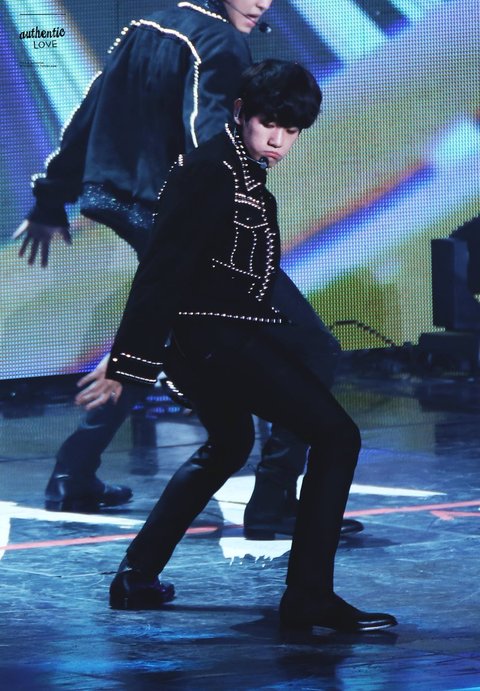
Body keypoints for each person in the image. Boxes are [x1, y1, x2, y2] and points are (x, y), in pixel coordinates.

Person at [14, 0, 362, 538]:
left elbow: (90, 108)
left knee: (166, 329)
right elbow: (207, 142)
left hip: (123, 202)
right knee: (312, 346)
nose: (263, 2)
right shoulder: (219, 42)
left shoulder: (149, 24)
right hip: (180, 215)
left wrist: (51, 196)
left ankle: (73, 472)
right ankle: (272, 500)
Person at [105, 59, 396, 632]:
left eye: (292, 130)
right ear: (240, 112)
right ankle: (308, 596)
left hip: (220, 335)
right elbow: (162, 269)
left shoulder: (242, 171)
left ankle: (136, 576)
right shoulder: (210, 169)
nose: (279, 140)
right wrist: (127, 365)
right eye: (270, 124)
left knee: (230, 444)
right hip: (212, 340)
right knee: (337, 436)